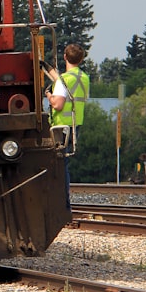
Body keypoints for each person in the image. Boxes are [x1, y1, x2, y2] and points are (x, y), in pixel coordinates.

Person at [45, 43, 89, 209]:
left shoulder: (64, 80)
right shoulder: (83, 77)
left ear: (65, 57)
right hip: (75, 125)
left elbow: (58, 104)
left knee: (59, 166)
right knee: (64, 164)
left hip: (60, 127)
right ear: (81, 59)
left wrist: (48, 94)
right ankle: (64, 204)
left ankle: (63, 204)